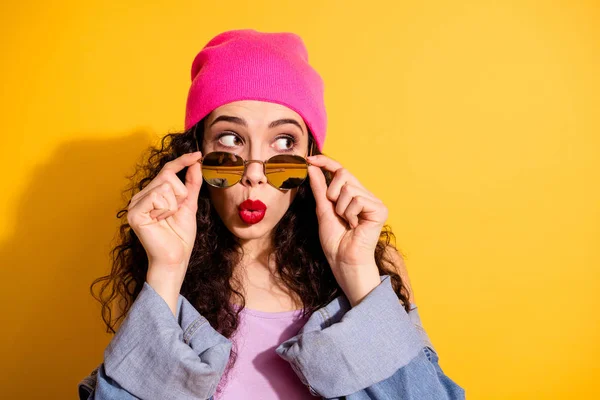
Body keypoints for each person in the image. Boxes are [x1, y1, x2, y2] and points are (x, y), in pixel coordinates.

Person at [78, 29, 465, 400]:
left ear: (312, 160)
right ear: (195, 154)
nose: (254, 173)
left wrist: (357, 274)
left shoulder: (373, 271)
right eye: (230, 139)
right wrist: (165, 273)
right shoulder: (168, 275)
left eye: (284, 142)